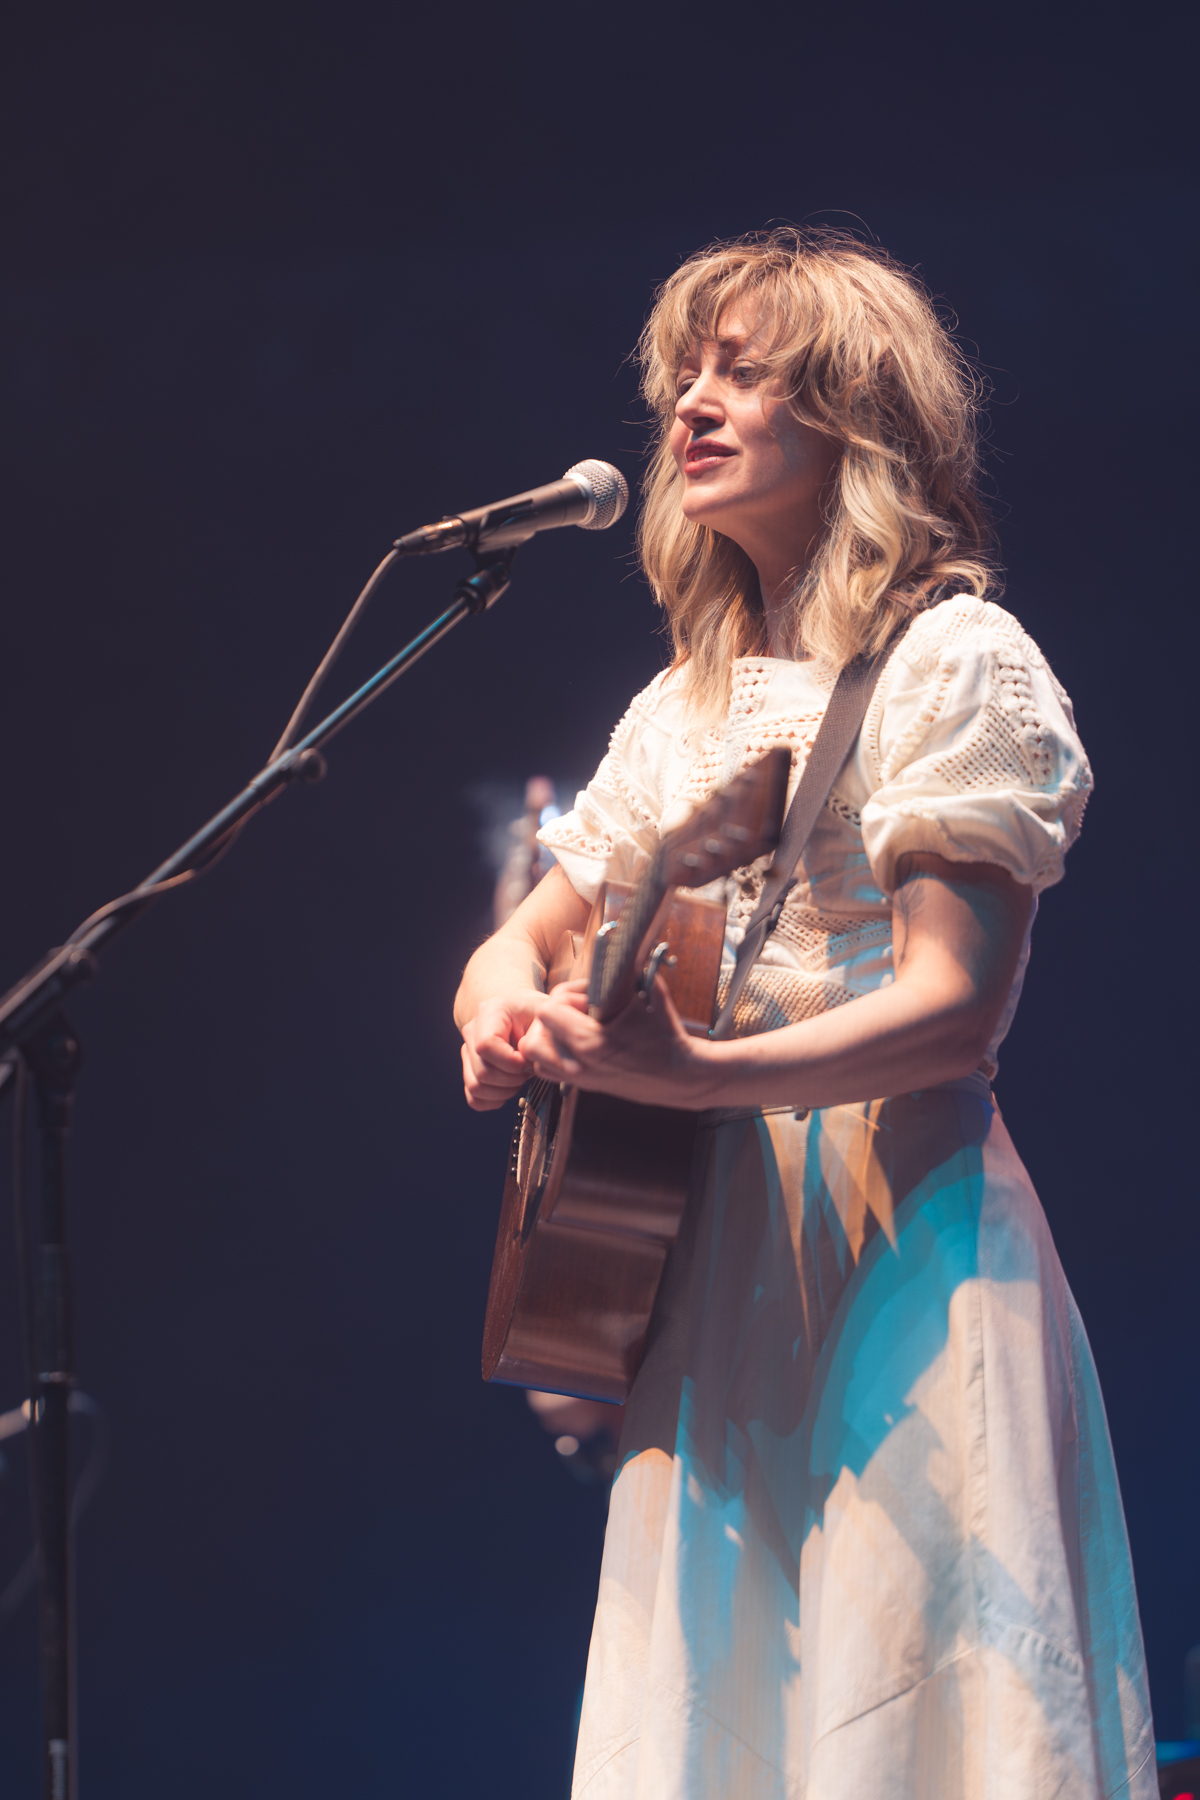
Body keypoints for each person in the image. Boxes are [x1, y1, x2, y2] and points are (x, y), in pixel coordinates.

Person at [454, 230, 1155, 1798]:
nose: (692, 409)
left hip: (901, 1251)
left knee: (916, 1700)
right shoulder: (683, 705)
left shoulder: (956, 658)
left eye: (744, 374)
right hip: (709, 1277)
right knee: (726, 1715)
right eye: (683, 379)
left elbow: (953, 1011)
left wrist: (700, 1071)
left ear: (855, 419)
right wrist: (508, 1016)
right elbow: (511, 949)